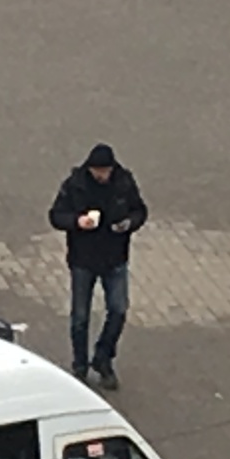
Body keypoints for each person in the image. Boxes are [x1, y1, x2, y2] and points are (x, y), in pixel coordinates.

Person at [47, 143, 148, 390]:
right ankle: (79, 365)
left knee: (119, 309)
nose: (101, 175)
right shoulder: (75, 184)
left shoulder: (124, 183)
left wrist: (129, 224)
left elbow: (140, 211)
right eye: (97, 171)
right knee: (80, 316)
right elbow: (56, 215)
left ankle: (103, 358)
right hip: (83, 260)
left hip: (115, 258)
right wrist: (77, 221)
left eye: (104, 171)